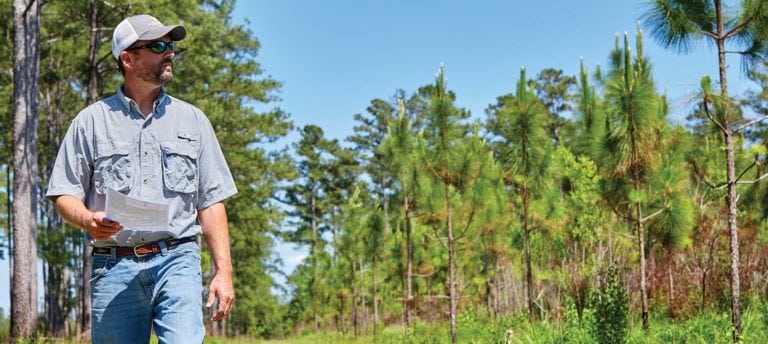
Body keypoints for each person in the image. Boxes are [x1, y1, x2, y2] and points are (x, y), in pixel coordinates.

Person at [46, 14, 237, 343]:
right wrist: (89, 220)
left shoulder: (193, 120)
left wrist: (224, 271)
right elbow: (64, 194)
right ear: (128, 58)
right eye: (159, 46)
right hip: (113, 267)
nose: (170, 53)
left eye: (172, 46)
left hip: (177, 259)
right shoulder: (90, 122)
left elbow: (211, 200)